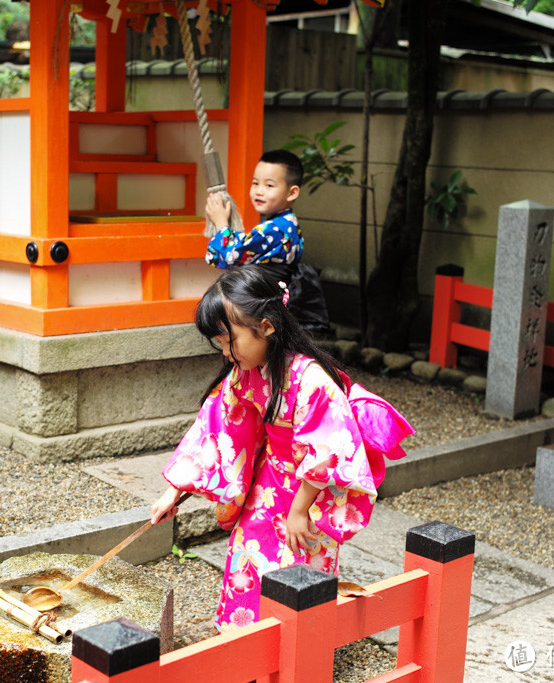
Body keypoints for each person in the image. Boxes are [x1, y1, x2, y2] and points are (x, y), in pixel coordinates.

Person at [149, 265, 412, 632]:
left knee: (302, 566)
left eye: (230, 340)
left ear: (267, 327)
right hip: (270, 482)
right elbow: (217, 428)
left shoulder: (311, 378)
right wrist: (173, 492)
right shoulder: (249, 373)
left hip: (312, 493)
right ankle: (245, 641)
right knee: (247, 557)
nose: (226, 354)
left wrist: (300, 509)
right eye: (220, 343)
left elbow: (329, 449)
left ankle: (299, 652)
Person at [203, 149, 330, 334]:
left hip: (263, 304)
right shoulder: (289, 223)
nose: (259, 191)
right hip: (273, 301)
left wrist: (221, 222)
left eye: (269, 185)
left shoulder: (273, 229)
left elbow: (230, 256)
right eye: (255, 183)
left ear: (292, 193)